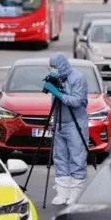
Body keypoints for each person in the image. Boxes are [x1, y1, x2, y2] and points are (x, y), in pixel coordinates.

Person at [43, 53, 89, 205]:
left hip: (75, 123)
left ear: (62, 65)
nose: (52, 69)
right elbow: (54, 102)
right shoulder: (57, 78)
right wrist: (53, 118)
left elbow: (77, 101)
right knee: (60, 157)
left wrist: (59, 93)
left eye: (54, 66)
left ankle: (76, 192)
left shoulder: (77, 78)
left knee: (77, 157)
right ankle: (62, 192)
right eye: (51, 67)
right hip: (59, 123)